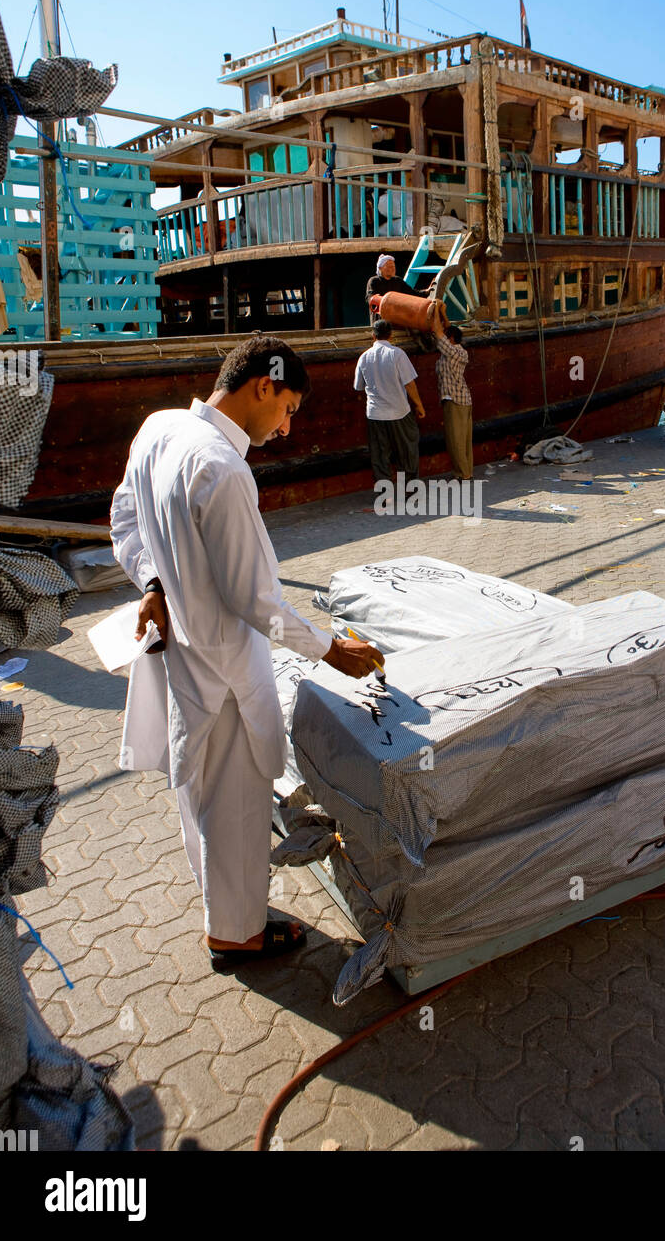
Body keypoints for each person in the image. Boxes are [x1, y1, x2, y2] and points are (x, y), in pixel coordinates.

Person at [110, 334, 384, 970]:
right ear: (264, 385)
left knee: (198, 796)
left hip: (183, 656)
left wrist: (152, 580)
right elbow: (254, 598)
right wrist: (328, 648)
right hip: (226, 667)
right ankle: (237, 935)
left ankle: (224, 910)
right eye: (288, 408)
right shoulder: (222, 470)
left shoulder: (159, 430)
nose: (288, 429)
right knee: (236, 803)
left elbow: (126, 521)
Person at [354, 318, 424, 487]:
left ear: (373, 336)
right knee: (407, 451)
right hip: (399, 411)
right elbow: (409, 384)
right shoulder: (397, 354)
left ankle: (385, 495)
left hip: (375, 414)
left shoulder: (364, 358)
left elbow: (358, 386)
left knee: (379, 455)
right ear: (391, 335)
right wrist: (419, 405)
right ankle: (409, 489)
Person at [431, 306, 473, 481]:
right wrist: (443, 314)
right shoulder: (458, 352)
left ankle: (462, 473)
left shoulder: (453, 352)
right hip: (462, 399)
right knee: (464, 439)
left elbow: (438, 334)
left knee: (455, 439)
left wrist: (433, 312)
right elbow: (444, 333)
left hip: (454, 399)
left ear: (452, 339)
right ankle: (466, 471)